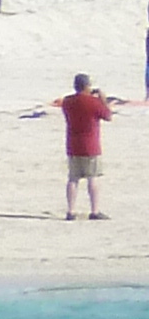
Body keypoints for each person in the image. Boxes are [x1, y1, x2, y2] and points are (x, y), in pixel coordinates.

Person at [31, 74, 116, 219]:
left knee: (73, 178)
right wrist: (103, 100)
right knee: (93, 177)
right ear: (87, 86)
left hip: (73, 144)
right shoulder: (93, 102)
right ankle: (94, 211)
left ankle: (71, 211)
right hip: (91, 145)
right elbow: (108, 116)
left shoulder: (68, 102)